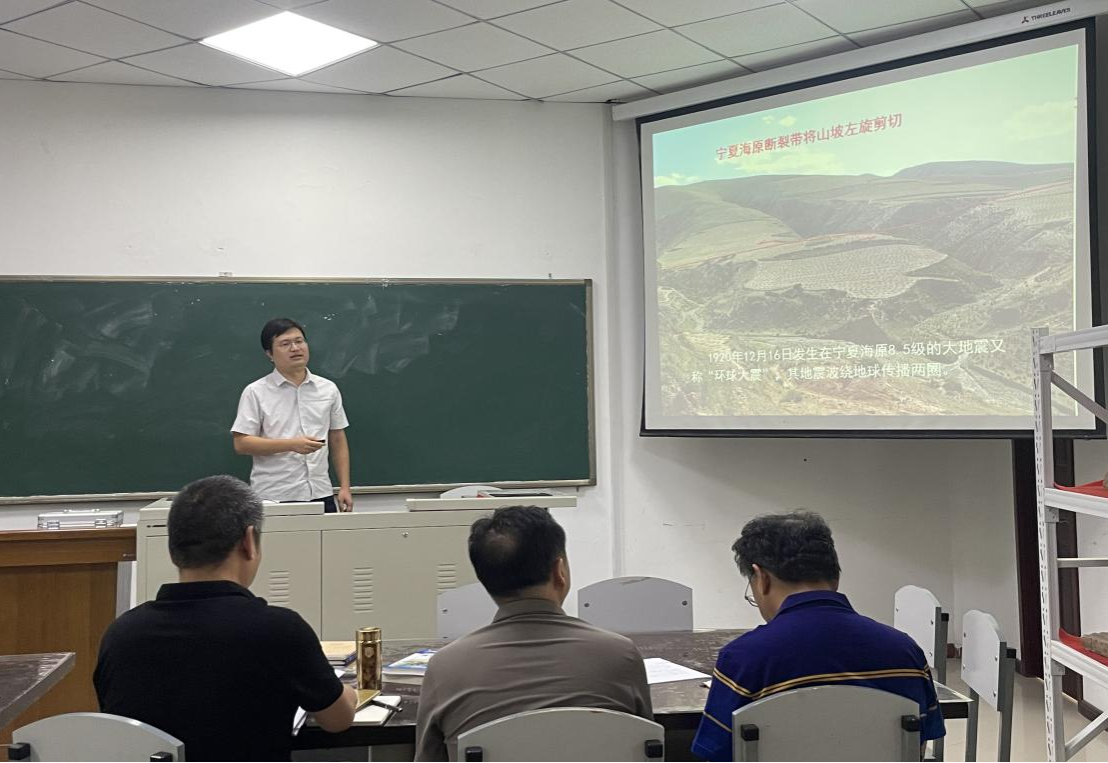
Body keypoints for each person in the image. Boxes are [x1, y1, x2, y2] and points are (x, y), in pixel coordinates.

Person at [94, 475, 356, 762]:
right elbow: (338, 719)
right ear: (248, 541)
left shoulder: (121, 635)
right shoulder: (279, 630)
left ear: (172, 550)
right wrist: (351, 694)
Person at [692, 510, 945, 762]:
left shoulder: (743, 658)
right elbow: (917, 745)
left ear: (761, 578)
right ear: (835, 576)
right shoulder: (906, 652)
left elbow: (717, 754)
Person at [415, 506, 653, 762]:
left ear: (484, 579)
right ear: (559, 571)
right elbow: (643, 743)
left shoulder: (445, 667)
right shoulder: (620, 655)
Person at [231, 317, 354, 512]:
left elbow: (337, 438)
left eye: (299, 341)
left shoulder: (328, 389)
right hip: (275, 496)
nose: (295, 348)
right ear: (269, 354)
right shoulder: (256, 392)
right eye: (285, 344)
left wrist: (345, 487)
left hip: (321, 492)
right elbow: (241, 443)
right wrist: (292, 445)